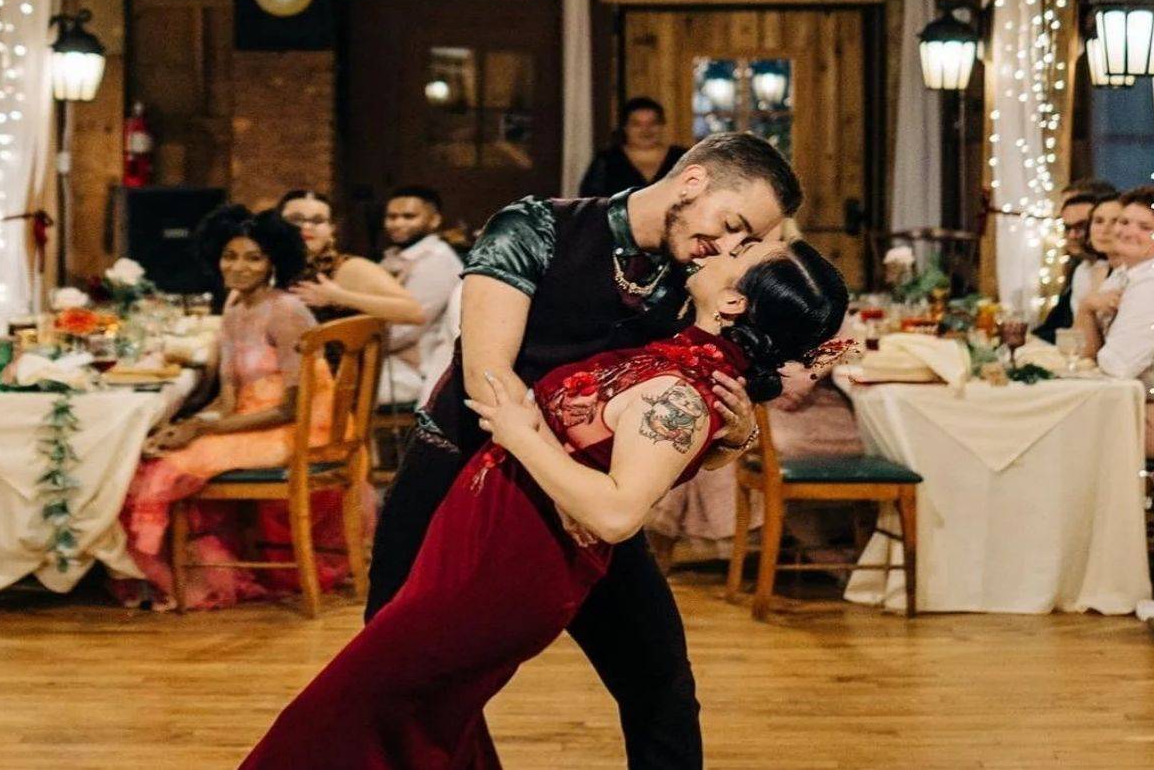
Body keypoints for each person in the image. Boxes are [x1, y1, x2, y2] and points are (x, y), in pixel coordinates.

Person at [241, 240, 848, 769]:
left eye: (740, 253)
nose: (723, 248)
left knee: (343, 716)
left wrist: (520, 434)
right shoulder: (683, 360)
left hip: (502, 575)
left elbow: (618, 514)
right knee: (416, 723)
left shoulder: (681, 394)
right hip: (474, 552)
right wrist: (730, 440)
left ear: (734, 302)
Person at [369, 131, 803, 770]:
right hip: (459, 472)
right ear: (693, 182)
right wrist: (572, 487)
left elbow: (669, 436)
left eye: (746, 242)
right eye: (733, 225)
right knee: (397, 676)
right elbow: (489, 379)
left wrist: (734, 437)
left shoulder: (698, 280)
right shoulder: (537, 227)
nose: (728, 247)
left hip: (583, 503)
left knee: (660, 683)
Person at [118, 205, 354, 609]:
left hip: (301, 429)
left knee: (164, 471)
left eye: (253, 258)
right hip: (253, 421)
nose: (239, 267)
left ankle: (193, 583)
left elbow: (292, 409)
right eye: (230, 256)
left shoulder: (286, 311)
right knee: (148, 454)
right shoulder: (234, 310)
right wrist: (189, 425)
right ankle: (198, 574)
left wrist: (202, 430)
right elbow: (229, 398)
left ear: (273, 262)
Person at [1074, 185, 1154, 453]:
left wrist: (1087, 362)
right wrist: (1086, 307)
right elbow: (1082, 352)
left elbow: (1117, 366)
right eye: (1124, 221)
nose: (1127, 231)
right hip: (1126, 401)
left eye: (1145, 227)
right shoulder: (1124, 274)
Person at [277, 189, 425, 326]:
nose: (307, 226)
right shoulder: (270, 266)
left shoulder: (348, 267)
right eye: (295, 219)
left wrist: (339, 297)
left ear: (331, 229)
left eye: (318, 220)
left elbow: (414, 312)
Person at [379, 185, 464, 403]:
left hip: (416, 372)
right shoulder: (396, 256)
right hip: (390, 361)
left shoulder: (437, 260)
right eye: (392, 217)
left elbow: (405, 329)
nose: (398, 223)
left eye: (409, 216)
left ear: (434, 220)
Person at [579, 96, 689, 200]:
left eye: (653, 123)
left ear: (662, 125)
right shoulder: (606, 161)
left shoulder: (684, 158)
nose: (646, 130)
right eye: (637, 124)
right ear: (625, 127)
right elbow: (591, 203)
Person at [1033, 190, 1101, 343]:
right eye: (1067, 228)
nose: (1072, 235)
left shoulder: (1115, 271)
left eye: (1081, 226)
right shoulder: (1081, 269)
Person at [1070, 194, 1123, 311]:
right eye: (1098, 221)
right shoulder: (1085, 270)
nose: (1104, 230)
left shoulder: (1135, 274)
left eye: (1115, 221)